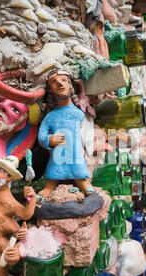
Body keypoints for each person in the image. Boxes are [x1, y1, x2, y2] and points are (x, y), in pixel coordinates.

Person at [37, 69, 94, 198]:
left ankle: (83, 182)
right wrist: (50, 140)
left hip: (76, 155)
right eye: (54, 82)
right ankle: (50, 186)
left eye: (63, 80)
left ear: (70, 85)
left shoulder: (79, 114)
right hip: (58, 155)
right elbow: (41, 136)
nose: (60, 84)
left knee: (78, 168)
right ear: (50, 89)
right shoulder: (51, 116)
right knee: (54, 169)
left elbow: (88, 135)